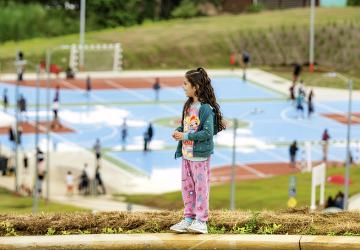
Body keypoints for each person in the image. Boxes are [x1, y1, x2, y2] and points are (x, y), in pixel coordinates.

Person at [170, 67, 225, 234]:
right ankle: (189, 218)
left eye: (185, 83)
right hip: (187, 155)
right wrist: (179, 131)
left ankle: (201, 220)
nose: (183, 86)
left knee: (201, 188)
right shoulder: (188, 106)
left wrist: (185, 135)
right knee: (187, 188)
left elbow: (207, 133)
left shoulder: (206, 109)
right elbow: (188, 125)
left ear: (196, 87)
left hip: (200, 157)